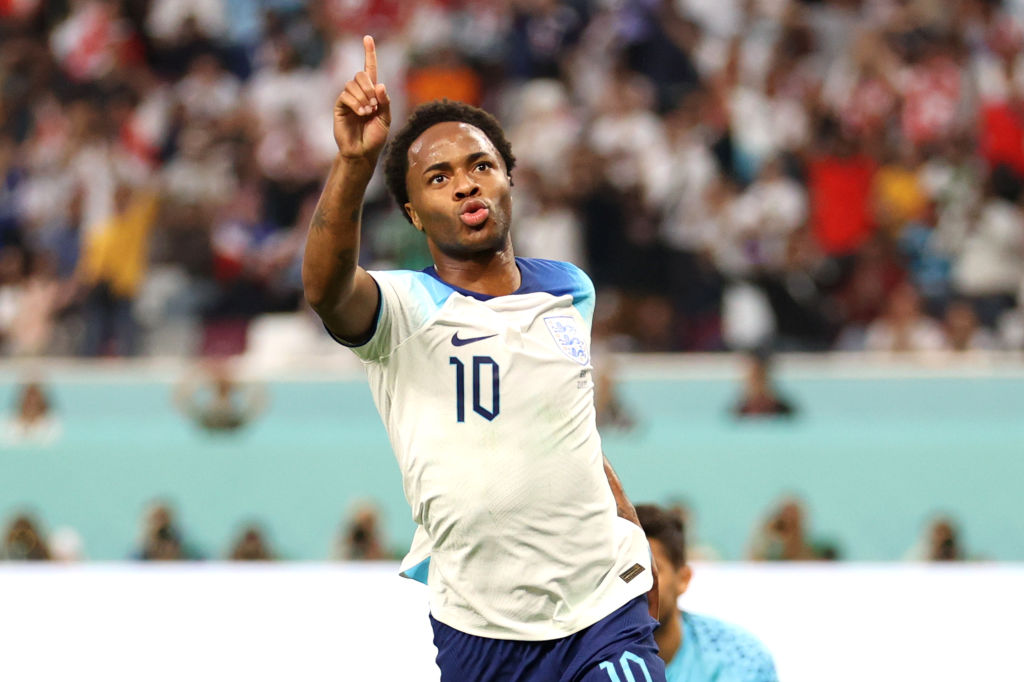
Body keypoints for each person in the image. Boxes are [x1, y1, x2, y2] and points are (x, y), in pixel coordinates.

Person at [302, 36, 663, 681]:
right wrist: (355, 163)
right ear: (414, 212)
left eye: (480, 165)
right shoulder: (402, 309)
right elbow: (324, 289)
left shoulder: (568, 289)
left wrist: (631, 534)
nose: (466, 184)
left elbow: (570, 431)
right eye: (439, 177)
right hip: (481, 628)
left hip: (604, 610)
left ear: (508, 178)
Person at [637, 504, 778, 682]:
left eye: (650, 570)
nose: (636, 585)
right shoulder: (594, 657)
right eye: (624, 572)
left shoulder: (741, 661)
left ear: (683, 579)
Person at [731, 352, 795, 418]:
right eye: (755, 377)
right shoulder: (741, 411)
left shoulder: (784, 410)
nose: (758, 382)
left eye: (760, 377)